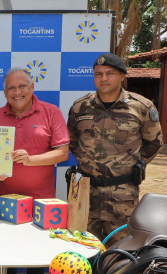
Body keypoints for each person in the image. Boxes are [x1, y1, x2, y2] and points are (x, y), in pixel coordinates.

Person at [0, 67, 70, 274]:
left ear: (32, 88)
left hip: (41, 200)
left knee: (37, 251)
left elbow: (62, 153)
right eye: (11, 88)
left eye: (22, 87)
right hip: (4, 198)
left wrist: (32, 160)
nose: (16, 92)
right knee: (3, 249)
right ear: (4, 92)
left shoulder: (51, 112)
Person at [68, 53, 163, 247]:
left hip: (122, 196)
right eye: (98, 74)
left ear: (122, 76)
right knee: (83, 249)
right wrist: (89, 160)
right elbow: (72, 141)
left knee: (121, 252)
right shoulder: (80, 107)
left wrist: (134, 162)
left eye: (110, 73)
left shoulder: (141, 107)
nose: (103, 78)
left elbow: (154, 142)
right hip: (87, 194)